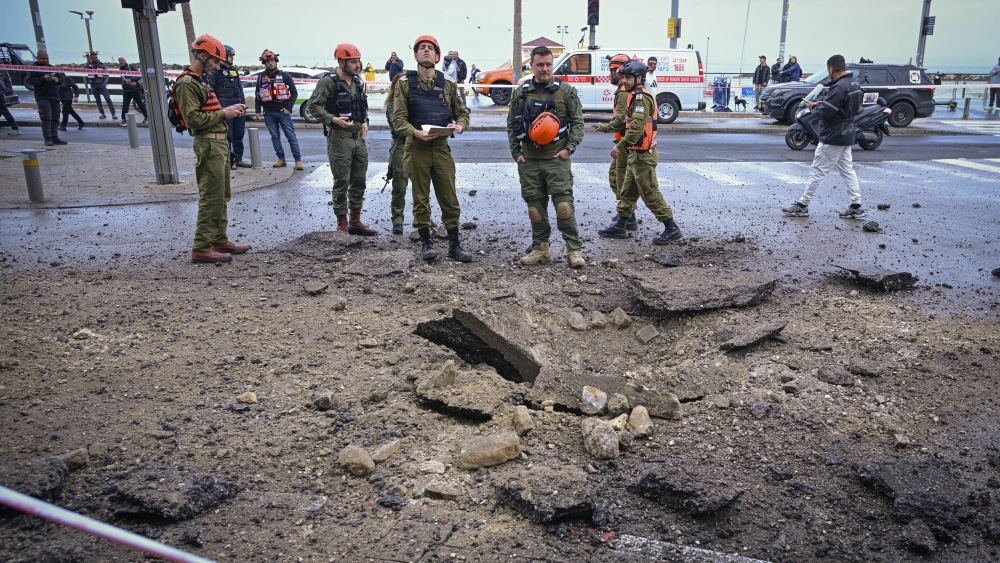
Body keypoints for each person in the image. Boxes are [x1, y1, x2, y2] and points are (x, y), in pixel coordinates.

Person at [391, 34, 473, 263]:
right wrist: (415, 133)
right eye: (422, 48)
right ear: (416, 54)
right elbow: (398, 120)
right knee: (420, 198)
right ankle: (427, 244)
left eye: (431, 48)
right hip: (416, 148)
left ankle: (454, 245)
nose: (426, 51)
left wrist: (459, 126)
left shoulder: (447, 83)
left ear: (437, 56)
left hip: (441, 148)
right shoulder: (405, 84)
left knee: (449, 197)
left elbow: (462, 113)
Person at [174, 34, 250, 264]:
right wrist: (223, 113)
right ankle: (201, 246)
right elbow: (193, 119)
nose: (218, 66)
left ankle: (219, 239)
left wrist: (229, 109)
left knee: (222, 194)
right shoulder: (187, 83)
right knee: (212, 196)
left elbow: (206, 111)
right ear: (203, 56)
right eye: (216, 61)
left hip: (218, 141)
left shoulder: (201, 80)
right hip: (208, 142)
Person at [508, 46, 585, 268]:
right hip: (529, 161)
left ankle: (573, 249)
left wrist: (568, 149)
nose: (544, 69)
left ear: (553, 65)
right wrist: (516, 153)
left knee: (564, 206)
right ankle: (541, 249)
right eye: (540, 64)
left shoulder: (566, 91)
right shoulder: (521, 93)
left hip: (556, 160)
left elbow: (578, 122)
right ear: (531, 66)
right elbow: (512, 125)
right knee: (535, 208)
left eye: (548, 64)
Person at [598, 61, 682, 244]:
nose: (625, 80)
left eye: (628, 77)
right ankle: (621, 224)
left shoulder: (641, 98)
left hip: (644, 156)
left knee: (650, 193)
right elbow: (626, 124)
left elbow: (636, 128)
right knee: (627, 192)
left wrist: (619, 146)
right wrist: (607, 130)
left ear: (639, 78)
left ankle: (671, 228)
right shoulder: (633, 95)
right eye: (624, 77)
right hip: (635, 154)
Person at [782, 55, 865, 220]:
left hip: (833, 135)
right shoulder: (854, 83)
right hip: (847, 132)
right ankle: (856, 205)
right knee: (847, 170)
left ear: (831, 69)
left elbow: (827, 112)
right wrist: (818, 104)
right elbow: (843, 107)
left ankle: (802, 205)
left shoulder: (839, 87)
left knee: (817, 171)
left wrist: (814, 109)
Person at [305, 43, 376, 236]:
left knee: (359, 179)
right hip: (339, 138)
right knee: (342, 180)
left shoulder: (359, 83)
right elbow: (313, 106)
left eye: (358, 61)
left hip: (358, 138)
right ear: (342, 62)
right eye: (353, 62)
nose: (357, 65)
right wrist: (332, 120)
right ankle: (342, 224)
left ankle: (355, 221)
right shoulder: (329, 82)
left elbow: (362, 106)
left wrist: (365, 121)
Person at [592, 54, 634, 232]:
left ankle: (628, 218)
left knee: (621, 180)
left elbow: (623, 121)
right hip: (622, 141)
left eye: (611, 70)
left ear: (619, 70)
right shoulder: (621, 91)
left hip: (624, 143)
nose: (610, 74)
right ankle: (627, 215)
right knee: (616, 178)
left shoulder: (623, 92)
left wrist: (605, 128)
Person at [254, 49, 303, 170]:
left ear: (276, 62)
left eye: (272, 61)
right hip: (269, 113)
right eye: (268, 61)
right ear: (264, 63)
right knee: (275, 137)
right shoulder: (260, 77)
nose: (270, 63)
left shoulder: (285, 76)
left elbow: (294, 92)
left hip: (283, 112)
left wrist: (288, 108)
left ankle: (298, 160)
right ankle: (281, 159)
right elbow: (258, 94)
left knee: (291, 136)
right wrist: (258, 111)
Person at [208, 45, 250, 168]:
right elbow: (211, 90)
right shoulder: (215, 71)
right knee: (228, 135)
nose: (232, 58)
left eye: (233, 56)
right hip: (225, 108)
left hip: (238, 106)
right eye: (230, 55)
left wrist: (243, 105)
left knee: (239, 134)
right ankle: (229, 160)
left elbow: (240, 88)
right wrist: (218, 108)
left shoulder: (233, 70)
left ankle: (238, 158)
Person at [384, 74, 410, 234]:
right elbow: (397, 127)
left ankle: (425, 218)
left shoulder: (414, 102)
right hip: (401, 146)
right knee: (400, 185)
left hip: (417, 146)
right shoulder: (391, 105)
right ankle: (398, 220)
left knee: (421, 186)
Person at [25, 52, 66, 146]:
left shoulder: (51, 67)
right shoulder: (33, 68)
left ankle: (55, 137)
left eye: (47, 59)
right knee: (46, 118)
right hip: (42, 96)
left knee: (56, 118)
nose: (45, 61)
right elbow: (30, 81)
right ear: (37, 58)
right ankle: (47, 138)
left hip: (55, 96)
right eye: (43, 59)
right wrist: (43, 79)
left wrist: (57, 80)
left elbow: (61, 80)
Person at [84, 52, 116, 120]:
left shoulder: (101, 64)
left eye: (96, 57)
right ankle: (102, 113)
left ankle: (113, 114)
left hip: (102, 84)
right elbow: (83, 70)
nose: (95, 59)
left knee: (108, 99)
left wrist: (105, 82)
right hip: (93, 84)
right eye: (94, 58)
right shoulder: (89, 65)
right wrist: (88, 62)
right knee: (98, 100)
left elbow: (107, 73)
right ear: (91, 58)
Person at [118, 56, 148, 126]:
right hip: (126, 90)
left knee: (140, 103)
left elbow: (139, 75)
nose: (120, 61)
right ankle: (123, 119)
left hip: (134, 89)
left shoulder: (130, 66)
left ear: (125, 60)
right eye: (119, 60)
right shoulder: (120, 68)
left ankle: (146, 116)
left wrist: (131, 79)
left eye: (122, 60)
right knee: (125, 105)